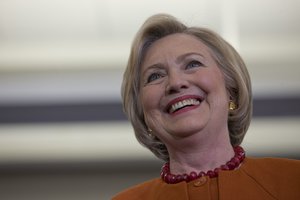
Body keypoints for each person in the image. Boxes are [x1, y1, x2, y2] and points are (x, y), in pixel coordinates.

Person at [112, 13, 300, 200]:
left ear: (231, 90)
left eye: (192, 64)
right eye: (155, 76)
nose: (176, 83)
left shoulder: (293, 181)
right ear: (143, 114)